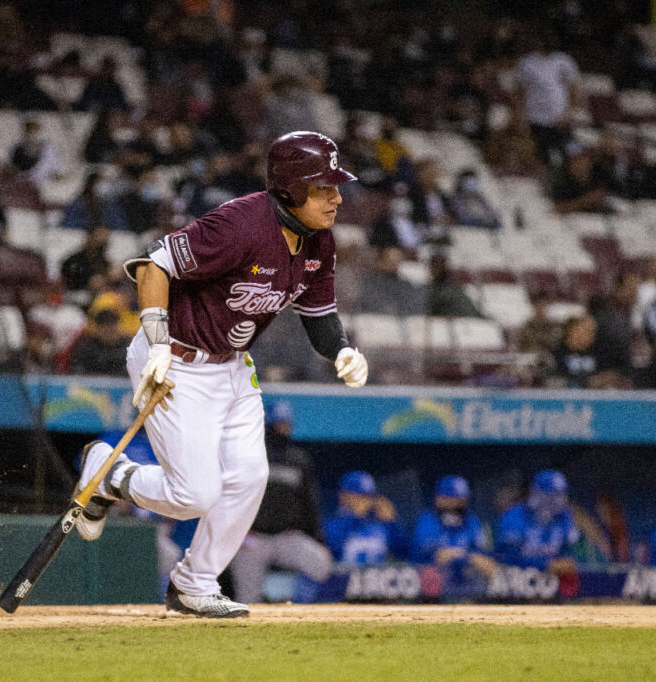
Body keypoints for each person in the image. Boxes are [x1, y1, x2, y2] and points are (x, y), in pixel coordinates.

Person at [75, 131, 368, 618]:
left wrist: (341, 350)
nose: (336, 197)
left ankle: (194, 583)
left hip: (233, 365)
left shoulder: (320, 239)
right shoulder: (240, 224)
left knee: (251, 476)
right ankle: (111, 475)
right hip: (175, 359)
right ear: (290, 188)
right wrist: (157, 343)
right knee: (193, 495)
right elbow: (153, 266)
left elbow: (318, 314)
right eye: (324, 187)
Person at [230, 401, 332, 604]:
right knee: (247, 598)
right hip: (254, 539)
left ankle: (298, 608)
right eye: (279, 424)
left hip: (287, 537)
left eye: (286, 424)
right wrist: (234, 534)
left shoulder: (298, 460)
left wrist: (319, 539)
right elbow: (232, 499)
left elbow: (309, 504)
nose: (284, 429)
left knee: (320, 562)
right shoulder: (248, 456)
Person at [514, 32, 580, 167]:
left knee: (573, 153)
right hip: (535, 120)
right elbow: (519, 91)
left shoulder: (565, 61)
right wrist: (521, 114)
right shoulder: (527, 62)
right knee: (543, 158)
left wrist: (568, 114)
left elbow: (575, 91)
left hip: (560, 121)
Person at [495, 470, 579, 575]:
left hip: (550, 579)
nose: (559, 500)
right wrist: (545, 565)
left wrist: (565, 563)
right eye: (553, 494)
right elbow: (507, 558)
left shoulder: (564, 517)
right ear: (538, 494)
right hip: (514, 578)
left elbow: (567, 555)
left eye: (562, 494)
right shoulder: (514, 517)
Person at [412, 475, 497, 579]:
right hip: (435, 579)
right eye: (452, 499)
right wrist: (466, 556)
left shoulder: (472, 521)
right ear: (439, 499)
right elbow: (433, 555)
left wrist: (460, 555)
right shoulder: (428, 520)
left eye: (461, 501)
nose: (457, 505)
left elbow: (484, 558)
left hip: (468, 578)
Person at [324, 470, 407, 565]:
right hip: (344, 574)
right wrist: (355, 518)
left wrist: (391, 523)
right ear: (343, 496)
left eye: (369, 496)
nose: (366, 501)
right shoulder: (331, 525)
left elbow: (405, 554)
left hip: (376, 573)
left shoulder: (381, 525)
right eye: (359, 496)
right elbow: (335, 548)